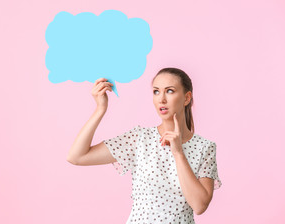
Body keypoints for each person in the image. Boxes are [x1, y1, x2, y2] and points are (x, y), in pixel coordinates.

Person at [67, 67, 222, 224]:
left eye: (169, 91)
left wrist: (178, 153)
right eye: (156, 92)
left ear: (187, 98)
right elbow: (77, 157)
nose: (161, 99)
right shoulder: (139, 139)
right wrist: (100, 109)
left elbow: (199, 205)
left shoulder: (205, 147)